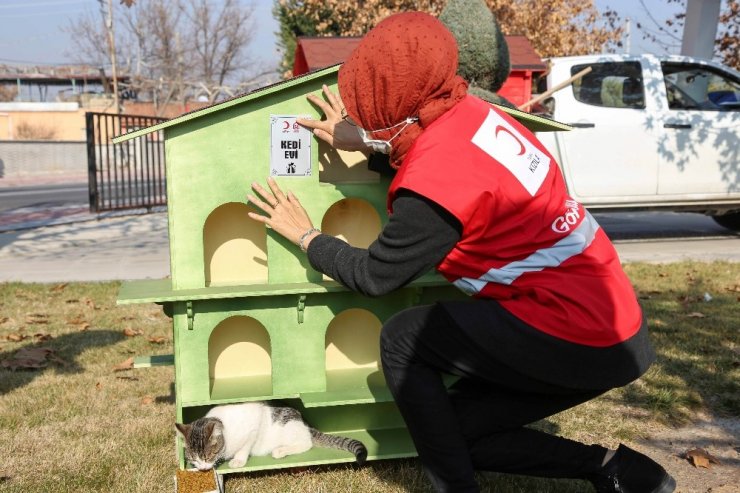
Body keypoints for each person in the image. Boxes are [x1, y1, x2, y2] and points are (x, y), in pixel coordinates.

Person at [246, 11, 675, 493]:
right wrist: (367, 142)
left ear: (388, 101)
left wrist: (306, 235)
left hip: (577, 333)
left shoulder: (435, 181)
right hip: (612, 323)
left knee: (403, 339)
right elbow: (443, 169)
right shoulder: (472, 115)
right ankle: (618, 471)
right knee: (453, 432)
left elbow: (376, 275)